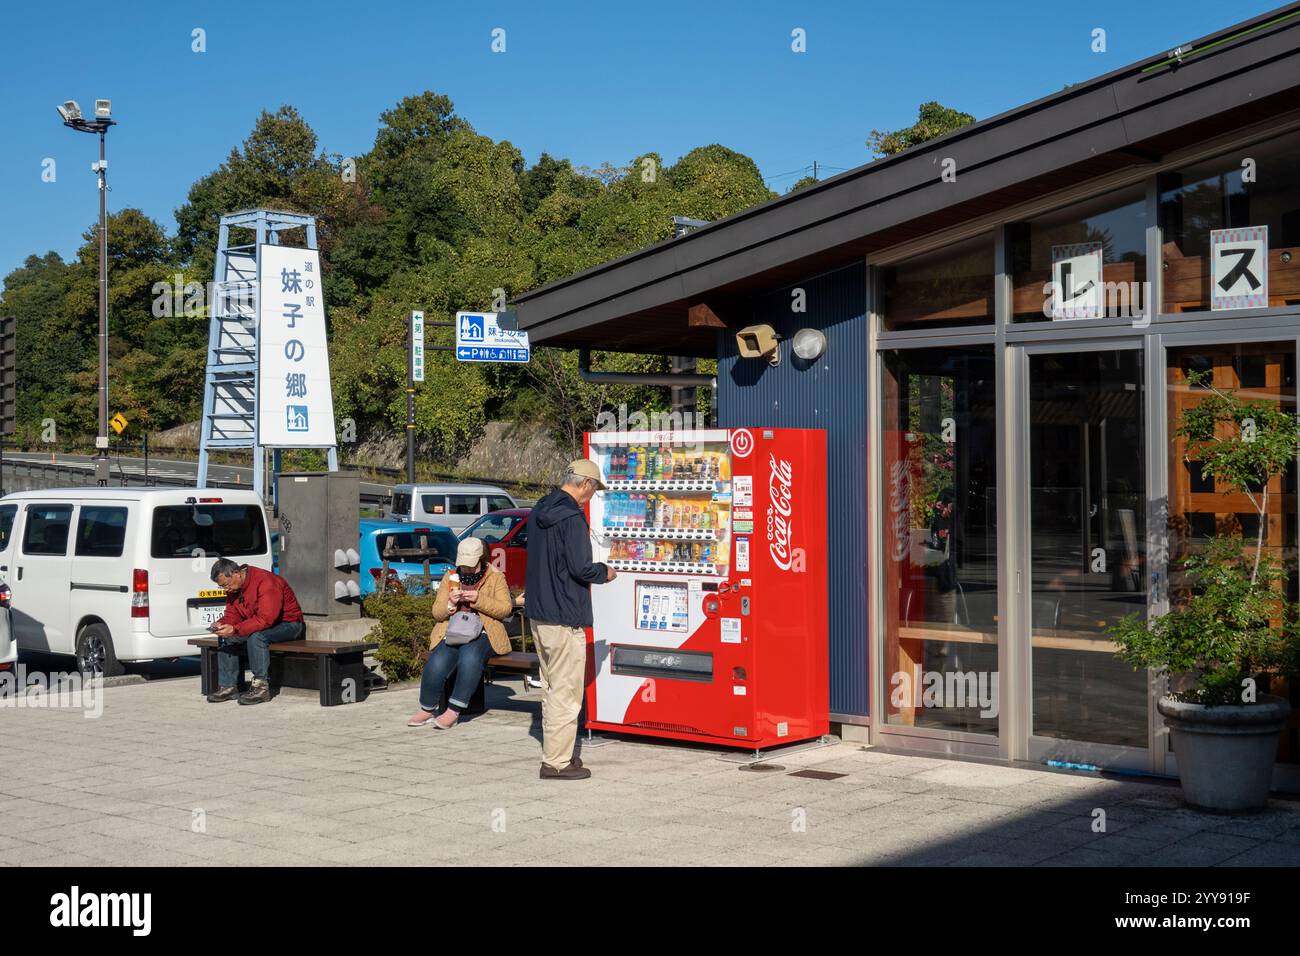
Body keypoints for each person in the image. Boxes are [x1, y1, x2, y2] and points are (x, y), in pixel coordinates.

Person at [524, 459, 616, 780]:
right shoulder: (573, 518)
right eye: (593, 491)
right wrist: (605, 572)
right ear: (585, 485)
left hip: (539, 614)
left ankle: (557, 751)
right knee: (566, 691)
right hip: (564, 616)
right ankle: (557, 763)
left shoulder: (539, 510)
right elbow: (581, 568)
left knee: (551, 686)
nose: (591, 497)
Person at [406, 537, 513, 729]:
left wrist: (479, 599)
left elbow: (505, 608)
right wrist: (450, 604)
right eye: (463, 565)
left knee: (470, 656)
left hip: (484, 631)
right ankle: (427, 708)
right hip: (454, 630)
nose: (467, 569)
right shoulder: (450, 577)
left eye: (471, 565)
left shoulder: (495, 576)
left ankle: (454, 710)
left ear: (480, 559)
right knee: (437, 660)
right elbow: (436, 613)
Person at [206, 558, 305, 705]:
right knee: (226, 637)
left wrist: (236, 629)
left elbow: (266, 619)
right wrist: (223, 624)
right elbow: (233, 614)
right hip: (264, 623)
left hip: (289, 625)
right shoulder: (234, 588)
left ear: (236, 573)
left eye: (226, 585)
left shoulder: (265, 581)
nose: (226, 589)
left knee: (257, 637)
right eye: (222, 587)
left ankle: (261, 688)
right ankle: (228, 686)